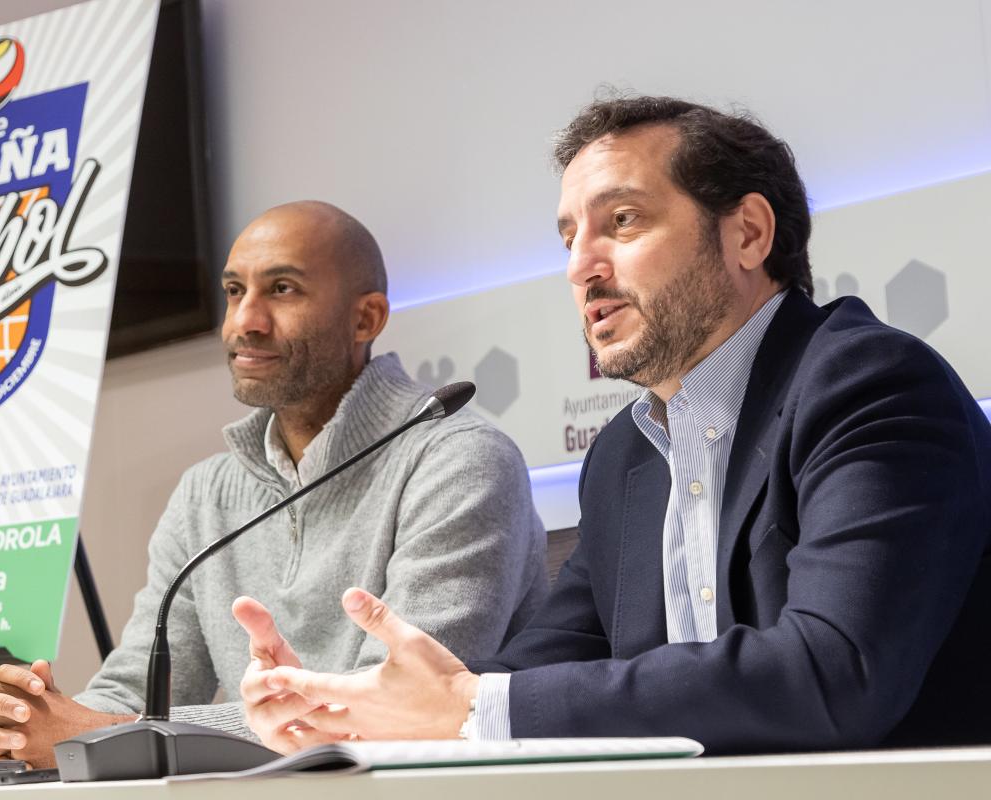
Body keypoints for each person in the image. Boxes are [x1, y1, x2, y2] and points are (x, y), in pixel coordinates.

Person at [235, 98, 991, 755]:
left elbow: (833, 672)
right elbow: (546, 664)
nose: (580, 266)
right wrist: (356, 707)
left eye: (621, 222)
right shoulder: (625, 453)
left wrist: (468, 707)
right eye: (568, 236)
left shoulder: (870, 388)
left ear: (749, 235)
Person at [0, 200, 549, 766]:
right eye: (235, 291)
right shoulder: (206, 492)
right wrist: (30, 721)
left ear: (365, 318)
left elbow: (392, 711)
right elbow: (139, 687)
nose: (245, 322)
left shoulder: (461, 461)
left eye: (282, 289)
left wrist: (102, 735)